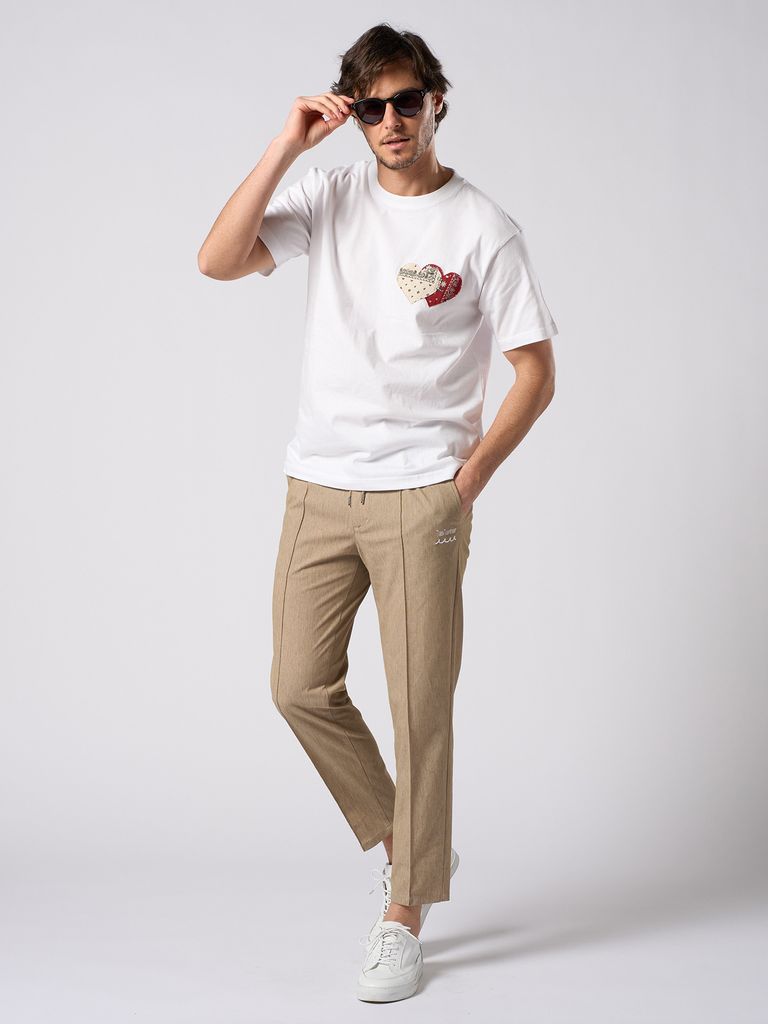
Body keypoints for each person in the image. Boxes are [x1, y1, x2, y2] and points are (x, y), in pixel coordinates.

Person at [198, 23, 559, 1003]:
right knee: (298, 686)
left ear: (437, 101)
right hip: (318, 485)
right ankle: (411, 841)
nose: (390, 121)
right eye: (370, 107)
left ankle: (406, 911)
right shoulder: (330, 195)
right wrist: (287, 144)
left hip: (422, 496)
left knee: (418, 705)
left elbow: (535, 371)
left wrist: (467, 479)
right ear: (352, 115)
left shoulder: (482, 227)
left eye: (406, 101)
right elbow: (217, 260)